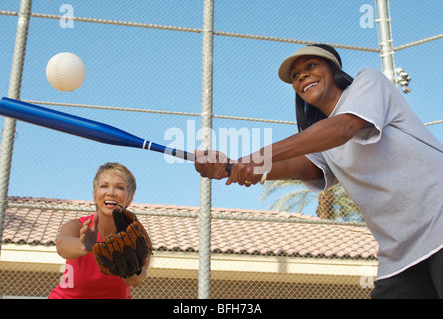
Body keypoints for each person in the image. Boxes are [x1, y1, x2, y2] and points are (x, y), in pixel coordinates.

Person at [195, 44, 443, 298]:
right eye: (295, 76)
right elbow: (297, 167)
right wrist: (228, 168)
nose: (301, 76)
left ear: (333, 69)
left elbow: (344, 127)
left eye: (310, 66)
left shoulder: (368, 81)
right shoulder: (321, 141)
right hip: (401, 252)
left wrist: (258, 156)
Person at [49, 162, 150, 299]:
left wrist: (129, 270)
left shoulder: (137, 236)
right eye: (104, 186)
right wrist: (84, 245)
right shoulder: (78, 225)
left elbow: (136, 280)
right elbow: (62, 246)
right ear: (95, 196)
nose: (111, 192)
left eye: (119, 187)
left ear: (129, 199)